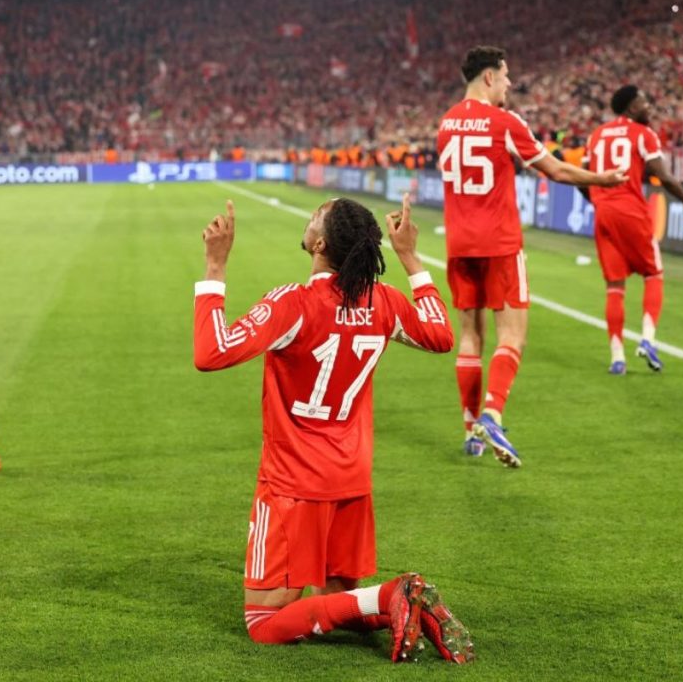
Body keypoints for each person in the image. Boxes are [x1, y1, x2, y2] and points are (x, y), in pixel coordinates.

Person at [194, 194, 473, 664]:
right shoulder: (383, 302)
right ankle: (394, 604)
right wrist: (410, 257)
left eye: (314, 217)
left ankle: (389, 597)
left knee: (265, 625)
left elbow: (211, 351)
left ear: (320, 243)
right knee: (338, 607)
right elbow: (442, 335)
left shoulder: (295, 304)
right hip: (350, 483)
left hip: (291, 485)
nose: (309, 219)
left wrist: (215, 266)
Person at [437, 46, 626, 467]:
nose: (509, 85)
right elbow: (556, 170)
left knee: (470, 337)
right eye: (506, 77)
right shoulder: (504, 122)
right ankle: (493, 412)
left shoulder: (446, 123)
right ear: (489, 77)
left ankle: (471, 432)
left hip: (459, 244)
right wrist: (603, 179)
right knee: (513, 336)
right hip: (500, 243)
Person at [584, 85, 683, 374]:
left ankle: (617, 357)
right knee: (654, 273)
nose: (649, 106)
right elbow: (664, 176)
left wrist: (599, 201)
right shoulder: (642, 133)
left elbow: (583, 180)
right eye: (644, 101)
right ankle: (647, 339)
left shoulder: (596, 135)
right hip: (631, 211)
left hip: (604, 214)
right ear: (631, 108)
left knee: (614, 286)